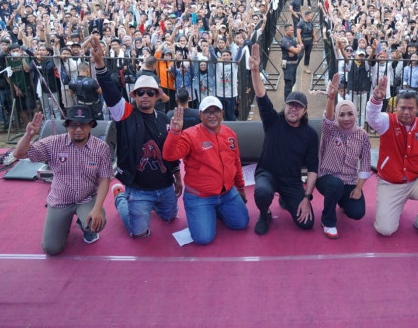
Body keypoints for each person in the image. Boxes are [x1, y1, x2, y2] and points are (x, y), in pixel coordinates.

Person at [88, 35, 182, 239]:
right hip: (138, 188)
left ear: (157, 95)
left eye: (150, 92)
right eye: (141, 93)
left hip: (164, 186)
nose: (145, 96)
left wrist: (177, 178)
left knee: (170, 217)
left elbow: (171, 153)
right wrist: (100, 63)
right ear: (134, 96)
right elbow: (111, 91)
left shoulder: (164, 119)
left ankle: (153, 206)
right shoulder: (125, 113)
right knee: (139, 233)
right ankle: (121, 197)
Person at [12, 107, 113, 255]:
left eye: (83, 124)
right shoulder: (54, 143)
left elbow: (105, 178)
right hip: (61, 200)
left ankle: (85, 226)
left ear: (91, 125)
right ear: (66, 126)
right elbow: (18, 154)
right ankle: (64, 224)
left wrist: (97, 208)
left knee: (96, 223)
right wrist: (29, 135)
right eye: (73, 125)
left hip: (87, 198)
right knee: (51, 248)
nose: (78, 129)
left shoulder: (101, 147)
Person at [366, 76, 418, 240]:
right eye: (402, 107)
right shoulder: (387, 121)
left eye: (410, 108)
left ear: (417, 108)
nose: (406, 111)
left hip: (417, 179)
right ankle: (394, 205)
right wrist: (376, 99)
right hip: (390, 182)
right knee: (385, 229)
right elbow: (372, 118)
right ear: (395, 107)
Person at [248, 43, 318, 235]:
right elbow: (262, 96)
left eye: (298, 107)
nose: (294, 109)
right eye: (291, 105)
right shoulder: (272, 120)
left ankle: (286, 200)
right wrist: (255, 71)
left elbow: (313, 168)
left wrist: (307, 198)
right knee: (262, 192)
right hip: (267, 174)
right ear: (285, 106)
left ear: (304, 111)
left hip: (292, 181)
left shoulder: (310, 134)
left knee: (307, 223)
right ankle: (265, 213)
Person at [162, 96, 249, 244]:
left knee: (241, 223)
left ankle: (216, 211)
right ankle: (202, 212)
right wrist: (175, 132)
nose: (212, 115)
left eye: (216, 111)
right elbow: (169, 156)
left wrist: (240, 188)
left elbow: (236, 162)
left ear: (222, 113)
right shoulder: (189, 135)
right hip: (200, 196)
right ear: (200, 115)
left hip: (226, 192)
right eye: (207, 112)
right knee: (203, 238)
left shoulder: (230, 134)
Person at [316, 74, 371, 239]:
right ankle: (328, 221)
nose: (346, 118)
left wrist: (359, 188)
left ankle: (341, 201)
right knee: (335, 184)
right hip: (327, 178)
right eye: (342, 115)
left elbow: (366, 164)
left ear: (355, 114)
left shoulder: (362, 135)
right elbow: (327, 120)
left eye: (350, 114)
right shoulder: (331, 130)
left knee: (357, 213)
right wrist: (331, 99)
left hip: (349, 181)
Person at [280, 23, 303, 101]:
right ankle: (287, 100)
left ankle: (289, 98)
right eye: (291, 30)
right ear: (286, 30)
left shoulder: (292, 38)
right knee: (289, 84)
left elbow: (299, 46)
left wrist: (296, 50)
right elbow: (297, 49)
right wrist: (296, 50)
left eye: (293, 30)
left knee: (293, 81)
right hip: (288, 65)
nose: (293, 31)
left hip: (293, 64)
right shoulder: (285, 40)